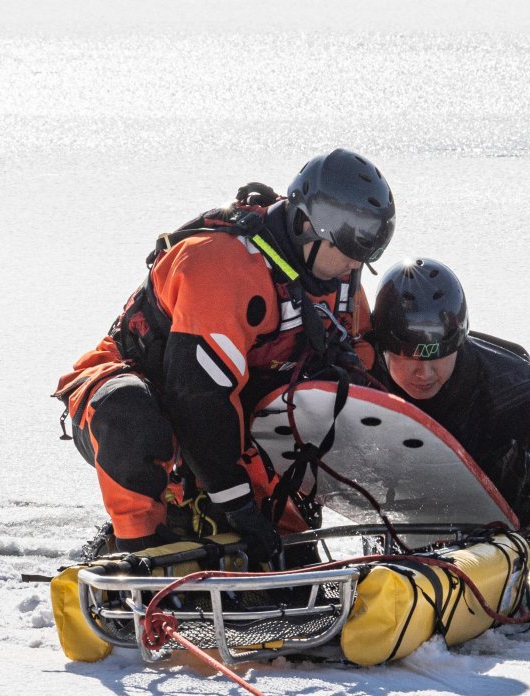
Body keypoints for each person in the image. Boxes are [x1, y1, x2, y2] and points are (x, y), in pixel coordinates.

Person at [54, 149, 396, 565]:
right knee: (131, 416)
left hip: (238, 410)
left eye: (367, 251)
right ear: (306, 225)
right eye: (347, 247)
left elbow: (363, 365)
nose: (356, 263)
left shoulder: (339, 280)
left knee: (279, 545)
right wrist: (239, 507)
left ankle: (248, 532)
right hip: (138, 392)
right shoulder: (220, 266)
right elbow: (197, 397)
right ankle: (138, 552)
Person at [368, 258, 530, 601]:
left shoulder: (519, 387)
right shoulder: (358, 372)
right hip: (412, 514)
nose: (425, 372)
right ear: (384, 346)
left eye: (439, 355)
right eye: (410, 357)